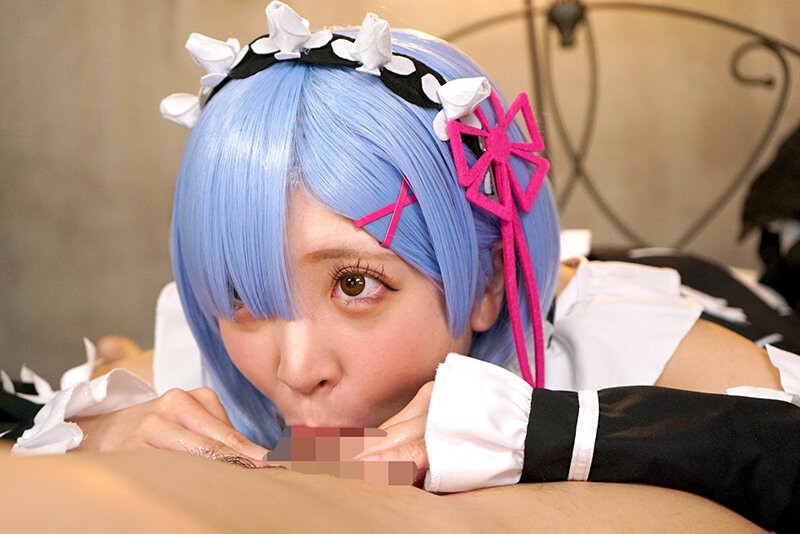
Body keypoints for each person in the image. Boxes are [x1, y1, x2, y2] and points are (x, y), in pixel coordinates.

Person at [6, 3, 800, 532]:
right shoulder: (211, 357)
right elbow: (34, 415)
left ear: (486, 285)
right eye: (246, 292)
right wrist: (96, 435)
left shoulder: (615, 340)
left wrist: (550, 432)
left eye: (355, 283)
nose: (295, 369)